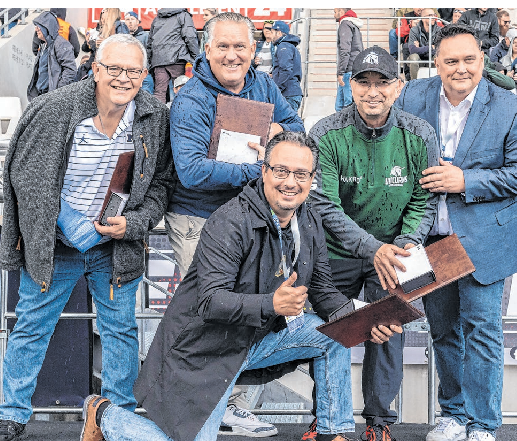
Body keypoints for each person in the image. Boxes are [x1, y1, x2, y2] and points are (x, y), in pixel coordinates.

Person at [80, 131, 403, 441]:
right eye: (281, 171)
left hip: (257, 337)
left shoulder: (309, 218)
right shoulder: (230, 221)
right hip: (205, 349)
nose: (291, 182)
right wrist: (272, 305)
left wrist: (365, 321)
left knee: (330, 335)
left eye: (301, 174)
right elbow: (210, 302)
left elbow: (323, 291)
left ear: (312, 179)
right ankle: (106, 415)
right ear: (264, 171)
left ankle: (333, 432)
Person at [0, 34, 174, 441]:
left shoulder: (153, 115)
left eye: (133, 71)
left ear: (145, 76)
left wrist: (132, 224)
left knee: (121, 331)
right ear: (95, 69)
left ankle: (116, 418)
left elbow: (162, 184)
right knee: (31, 326)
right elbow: (26, 180)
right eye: (113, 68)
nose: (123, 78)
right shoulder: (55, 110)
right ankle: (11, 414)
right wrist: (59, 224)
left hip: (114, 244)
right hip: (57, 245)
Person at [165, 12, 304, 436]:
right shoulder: (191, 99)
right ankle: (202, 407)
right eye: (222, 46)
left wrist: (280, 129)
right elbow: (190, 171)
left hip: (249, 221)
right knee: (214, 313)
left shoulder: (263, 84)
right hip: (200, 221)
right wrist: (259, 168)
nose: (232, 55)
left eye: (240, 46)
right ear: (207, 51)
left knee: (253, 314)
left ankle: (234, 404)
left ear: (254, 49)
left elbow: (296, 127)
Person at [304, 46, 440, 441]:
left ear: (398, 87)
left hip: (395, 251)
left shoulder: (419, 134)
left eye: (383, 82)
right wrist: (371, 248)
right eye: (363, 82)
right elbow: (324, 206)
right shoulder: (326, 132)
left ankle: (378, 422)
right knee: (333, 331)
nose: (372, 91)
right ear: (350, 85)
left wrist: (404, 244)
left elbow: (424, 199)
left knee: (388, 330)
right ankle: (327, 417)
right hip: (339, 251)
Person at [396, 23, 517, 441]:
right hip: (431, 239)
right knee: (443, 329)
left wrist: (464, 180)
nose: (460, 69)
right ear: (437, 62)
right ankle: (454, 414)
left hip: (485, 238)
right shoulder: (413, 96)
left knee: (482, 330)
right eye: (451, 61)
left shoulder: (508, 106)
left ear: (482, 60)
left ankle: (483, 423)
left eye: (469, 60)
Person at [147, 8, 199, 103]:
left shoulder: (157, 18)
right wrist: (196, 58)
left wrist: (150, 61)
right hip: (178, 59)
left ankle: (157, 117)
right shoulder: (183, 15)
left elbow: (150, 42)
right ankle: (180, 115)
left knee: (159, 92)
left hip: (158, 60)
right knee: (180, 89)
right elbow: (190, 37)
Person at [27, 11, 76, 101]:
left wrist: (57, 92)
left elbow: (70, 70)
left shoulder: (61, 44)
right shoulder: (43, 45)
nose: (36, 29)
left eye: (39, 26)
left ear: (47, 27)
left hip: (51, 98)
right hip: (40, 95)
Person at [334, 8, 364, 112]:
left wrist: (341, 72)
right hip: (354, 67)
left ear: (341, 11)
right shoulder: (353, 24)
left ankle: (347, 128)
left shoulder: (345, 24)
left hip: (348, 70)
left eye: (335, 12)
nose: (334, 15)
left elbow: (345, 50)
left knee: (344, 106)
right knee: (341, 106)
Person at [270, 20, 303, 111]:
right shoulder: (289, 46)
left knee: (286, 124)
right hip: (291, 92)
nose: (270, 36)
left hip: (288, 94)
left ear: (279, 33)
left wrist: (278, 89)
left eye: (272, 32)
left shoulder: (284, 46)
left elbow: (285, 69)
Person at [125, 11, 154, 94]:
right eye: (127, 19)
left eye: (132, 19)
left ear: (137, 21)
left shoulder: (145, 36)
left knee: (147, 97)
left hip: (143, 73)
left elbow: (150, 53)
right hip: (127, 73)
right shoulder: (122, 37)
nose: (130, 21)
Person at [407, 8, 439, 79]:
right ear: (423, 18)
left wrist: (419, 49)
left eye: (434, 15)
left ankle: (434, 83)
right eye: (430, 15)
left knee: (437, 57)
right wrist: (430, 47)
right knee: (413, 57)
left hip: (432, 59)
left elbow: (439, 49)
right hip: (420, 60)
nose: (433, 17)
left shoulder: (439, 30)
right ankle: (414, 84)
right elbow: (412, 50)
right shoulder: (414, 30)